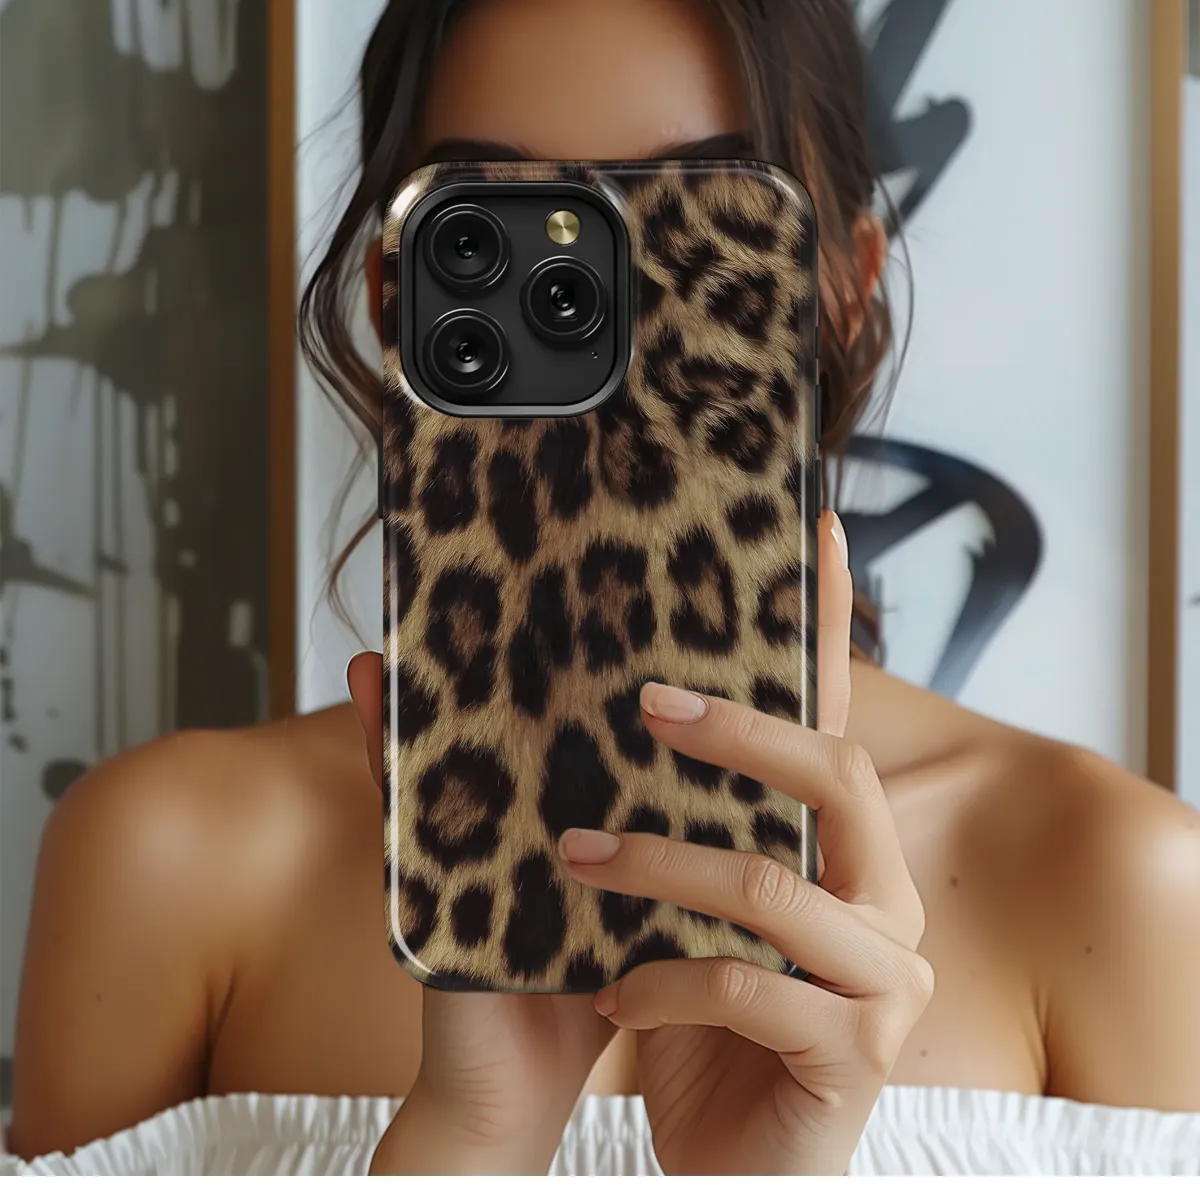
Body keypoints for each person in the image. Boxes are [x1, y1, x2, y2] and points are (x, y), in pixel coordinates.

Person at [7, 0, 1200, 1177]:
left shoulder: (1115, 885)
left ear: (843, 289)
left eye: (700, 216)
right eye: (492, 229)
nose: (600, 311)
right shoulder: (170, 865)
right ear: (393, 296)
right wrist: (474, 1140)